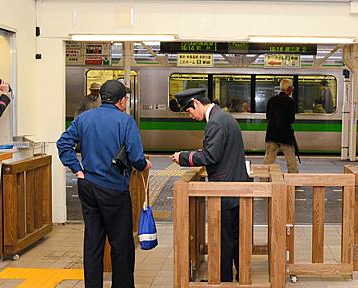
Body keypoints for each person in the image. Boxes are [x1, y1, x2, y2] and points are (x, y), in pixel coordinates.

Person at [57, 80, 152, 288]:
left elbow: (63, 143)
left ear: (102, 97)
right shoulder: (126, 122)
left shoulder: (84, 118)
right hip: (114, 190)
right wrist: (145, 165)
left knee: (93, 242)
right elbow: (136, 158)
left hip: (88, 186)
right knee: (121, 244)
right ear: (122, 101)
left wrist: (77, 169)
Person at [171, 88, 248, 282]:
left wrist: (183, 157)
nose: (191, 116)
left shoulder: (215, 122)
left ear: (196, 103)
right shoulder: (224, 117)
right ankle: (239, 274)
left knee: (223, 238)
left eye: (189, 111)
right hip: (235, 186)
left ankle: (222, 278)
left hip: (225, 188)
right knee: (234, 236)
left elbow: (210, 156)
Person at [264, 78, 299, 173]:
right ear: (288, 89)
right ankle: (293, 181)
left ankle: (264, 180)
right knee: (290, 160)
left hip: (271, 134)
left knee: (269, 159)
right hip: (285, 135)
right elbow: (291, 120)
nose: (292, 90)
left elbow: (268, 116)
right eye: (291, 88)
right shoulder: (290, 101)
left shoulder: (271, 100)